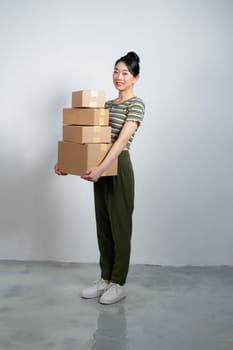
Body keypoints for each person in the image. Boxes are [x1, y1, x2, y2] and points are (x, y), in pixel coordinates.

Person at [54, 51, 145, 304]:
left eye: (125, 72)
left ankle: (118, 282)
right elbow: (89, 139)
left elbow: (119, 143)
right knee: (103, 226)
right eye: (116, 71)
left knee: (120, 226)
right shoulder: (105, 106)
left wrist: (101, 167)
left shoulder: (136, 105)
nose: (119, 76)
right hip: (100, 168)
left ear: (135, 78)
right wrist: (66, 163)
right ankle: (105, 278)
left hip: (118, 166)